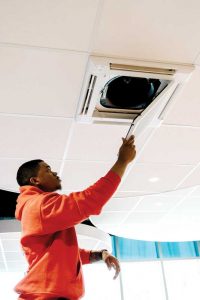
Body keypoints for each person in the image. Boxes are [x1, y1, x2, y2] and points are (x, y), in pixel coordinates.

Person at [14, 135, 136, 300]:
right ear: (35, 180)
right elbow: (89, 201)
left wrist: (101, 255)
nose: (54, 172)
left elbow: (64, 255)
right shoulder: (40, 206)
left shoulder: (35, 207)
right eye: (48, 169)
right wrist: (122, 161)